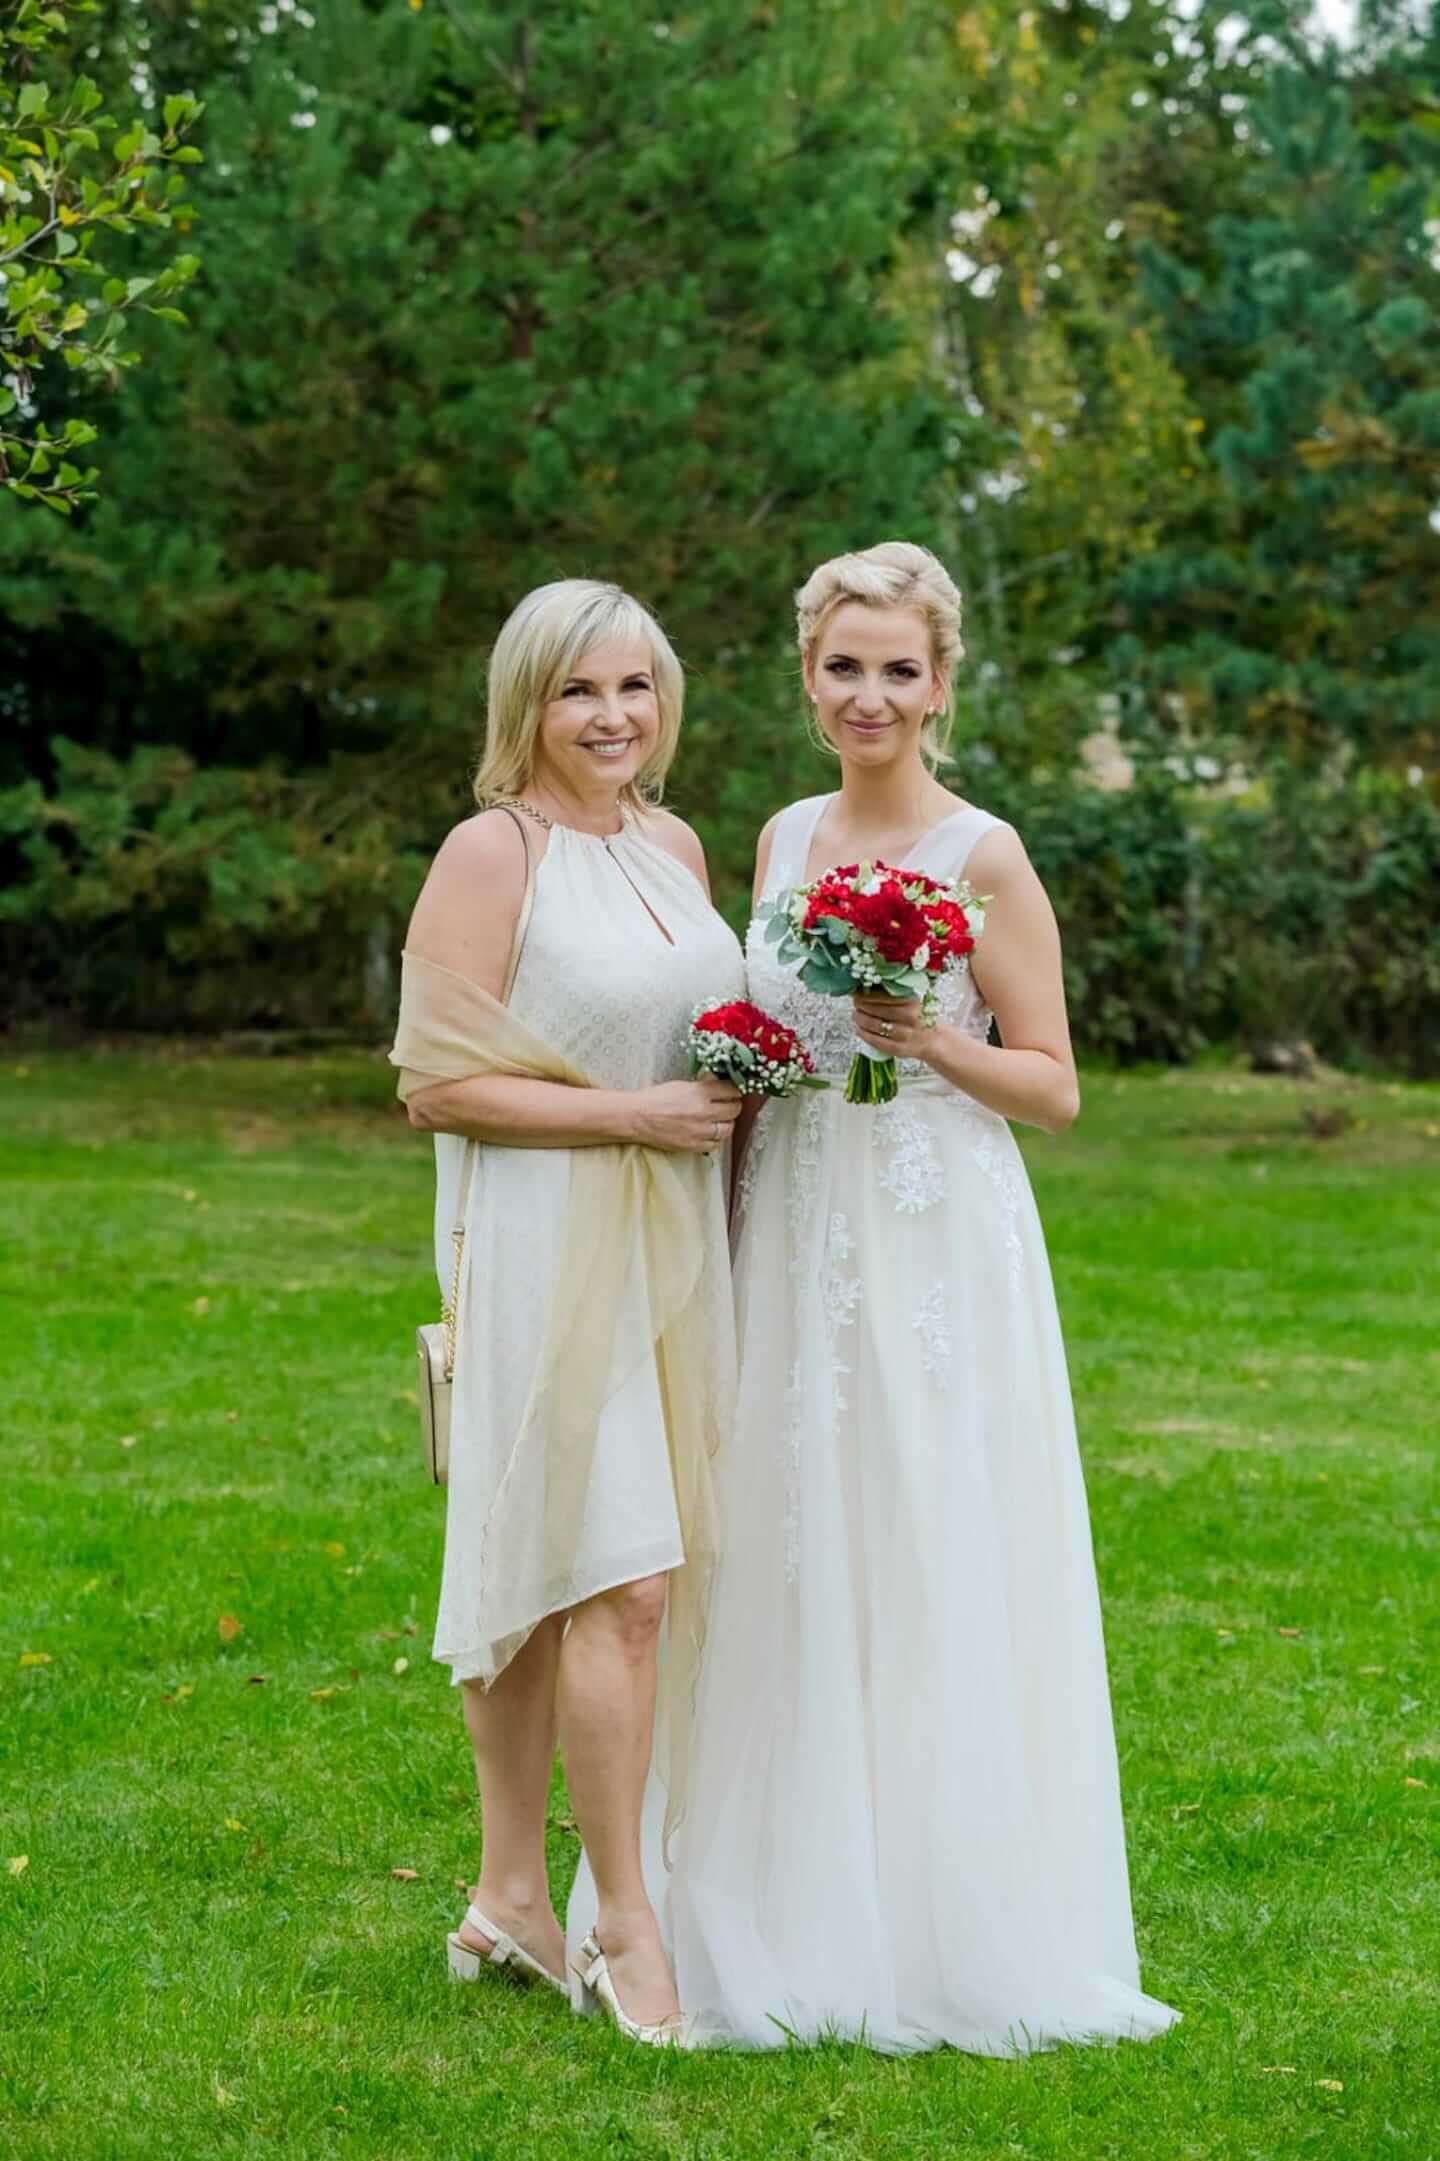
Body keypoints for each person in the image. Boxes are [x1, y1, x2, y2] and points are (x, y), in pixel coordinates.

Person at [672, 541, 1179, 2055]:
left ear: (943, 681)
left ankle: (942, 1909)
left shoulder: (985, 853)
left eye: (900, 669)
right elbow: (772, 1021)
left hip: (933, 1230)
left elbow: (1057, 1088)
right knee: (786, 1526)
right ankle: (777, 1883)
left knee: (922, 1518)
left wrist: (931, 1037)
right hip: (792, 1217)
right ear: (807, 674)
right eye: (845, 666)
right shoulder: (782, 835)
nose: (870, 695)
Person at [391, 578, 744, 2045]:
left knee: (583, 1569)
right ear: (524, 704)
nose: (611, 717)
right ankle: (623, 1921)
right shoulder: (493, 851)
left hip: (672, 1243)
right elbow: (434, 1082)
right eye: (578, 691)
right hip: (542, 1239)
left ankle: (507, 1904)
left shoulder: (673, 844)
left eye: (634, 687)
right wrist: (635, 1115)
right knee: (612, 1578)